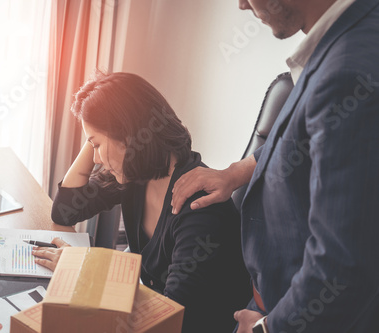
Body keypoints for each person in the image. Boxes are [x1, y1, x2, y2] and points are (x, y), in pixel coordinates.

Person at [171, 0, 379, 332]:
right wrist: (235, 173)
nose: (241, 4)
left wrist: (267, 328)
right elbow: (304, 141)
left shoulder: (349, 70)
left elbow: (343, 264)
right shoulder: (342, 39)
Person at [33, 71, 252, 332]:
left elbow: (170, 317)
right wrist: (94, 135)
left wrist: (86, 270)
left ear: (127, 137)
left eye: (97, 145)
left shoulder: (199, 211)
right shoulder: (137, 176)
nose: (97, 159)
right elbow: (65, 212)